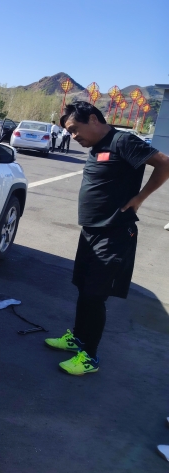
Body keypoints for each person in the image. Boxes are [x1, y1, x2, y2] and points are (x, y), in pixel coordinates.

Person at [44, 101, 169, 375]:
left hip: (114, 232)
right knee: (83, 288)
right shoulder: (97, 146)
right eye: (70, 133)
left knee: (95, 295)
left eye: (75, 130)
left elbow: (164, 163)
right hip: (91, 230)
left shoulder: (122, 141)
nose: (73, 137)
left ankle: (90, 357)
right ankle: (78, 338)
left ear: (92, 119)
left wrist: (140, 198)